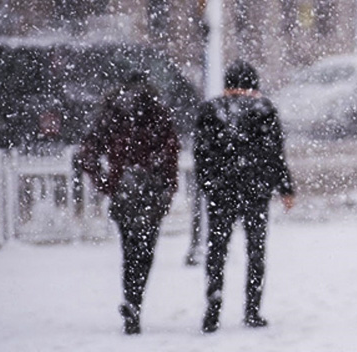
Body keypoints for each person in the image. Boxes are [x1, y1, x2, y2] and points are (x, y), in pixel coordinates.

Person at [194, 60, 294, 333]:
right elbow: (275, 154)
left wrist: (209, 185)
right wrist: (285, 187)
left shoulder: (209, 110)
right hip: (255, 191)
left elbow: (201, 154)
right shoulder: (264, 110)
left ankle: (213, 305)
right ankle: (252, 309)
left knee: (217, 249)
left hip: (221, 191)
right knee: (256, 251)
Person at [79, 71, 179, 335]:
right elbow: (171, 153)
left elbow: (87, 153)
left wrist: (107, 182)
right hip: (152, 189)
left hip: (124, 189)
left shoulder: (112, 113)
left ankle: (131, 300)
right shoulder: (157, 113)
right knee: (145, 251)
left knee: (130, 250)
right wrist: (169, 187)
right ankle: (136, 300)